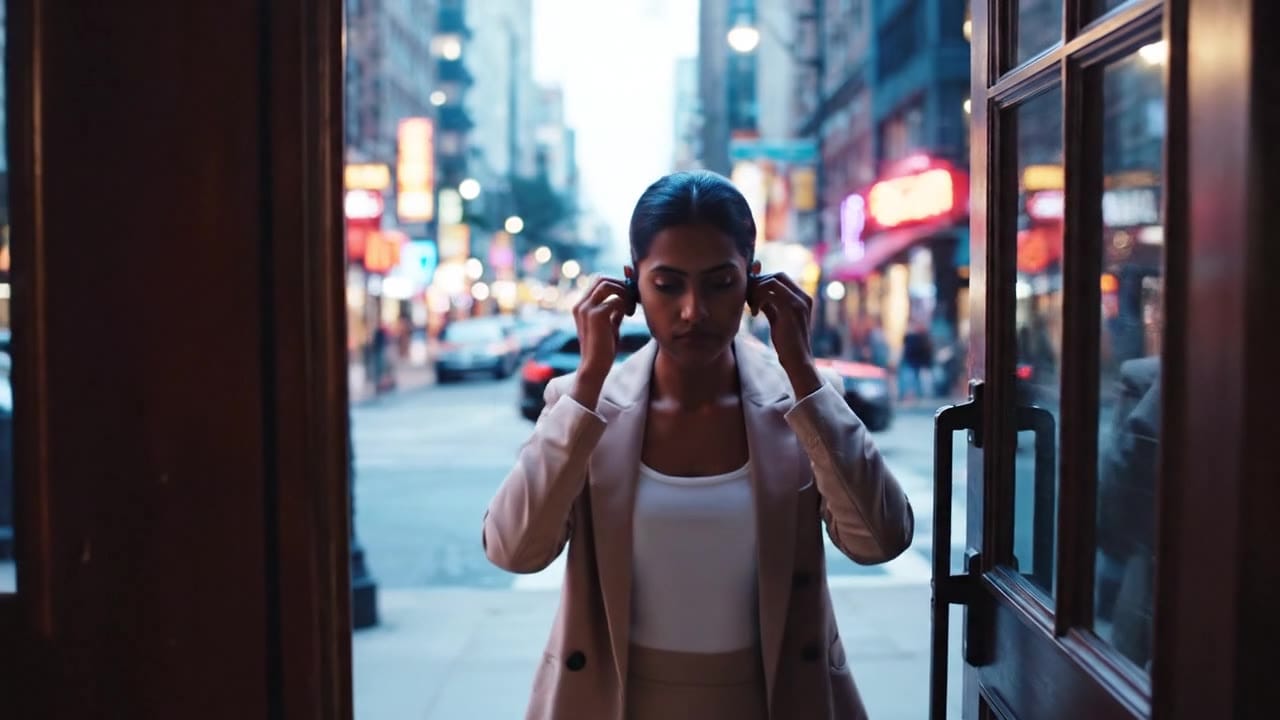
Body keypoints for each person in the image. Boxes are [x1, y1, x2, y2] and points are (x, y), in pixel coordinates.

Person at [482, 171, 914, 720]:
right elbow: (512, 549)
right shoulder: (588, 407)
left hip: (774, 700)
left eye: (718, 283)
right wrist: (589, 377)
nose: (693, 310)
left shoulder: (803, 403)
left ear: (754, 284)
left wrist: (802, 370)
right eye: (667, 284)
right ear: (632, 286)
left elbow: (880, 539)